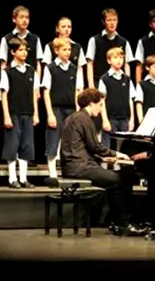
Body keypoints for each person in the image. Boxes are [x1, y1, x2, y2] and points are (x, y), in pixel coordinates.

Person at [60, 88, 142, 236]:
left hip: (76, 165)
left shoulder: (74, 117)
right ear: (91, 103)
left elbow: (81, 147)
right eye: (100, 105)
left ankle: (117, 222)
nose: (101, 108)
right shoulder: (83, 119)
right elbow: (94, 146)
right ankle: (123, 224)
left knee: (121, 177)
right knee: (118, 180)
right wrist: (118, 154)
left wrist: (103, 158)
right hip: (79, 167)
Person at [1, 37, 40, 188]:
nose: (24, 53)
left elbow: (34, 94)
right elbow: (4, 95)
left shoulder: (31, 70)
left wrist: (36, 113)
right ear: (13, 52)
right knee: (12, 145)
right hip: (13, 113)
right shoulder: (8, 72)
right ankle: (12, 178)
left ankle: (23, 178)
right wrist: (6, 115)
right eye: (21, 50)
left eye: (25, 50)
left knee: (27, 146)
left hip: (28, 112)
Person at [42, 37, 84, 179]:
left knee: (70, 140)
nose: (67, 52)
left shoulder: (74, 69)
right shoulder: (51, 68)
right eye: (64, 50)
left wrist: (78, 110)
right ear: (56, 51)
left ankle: (68, 170)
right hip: (56, 108)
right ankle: (52, 172)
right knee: (53, 139)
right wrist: (50, 114)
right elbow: (46, 91)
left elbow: (78, 90)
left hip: (71, 108)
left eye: (69, 50)